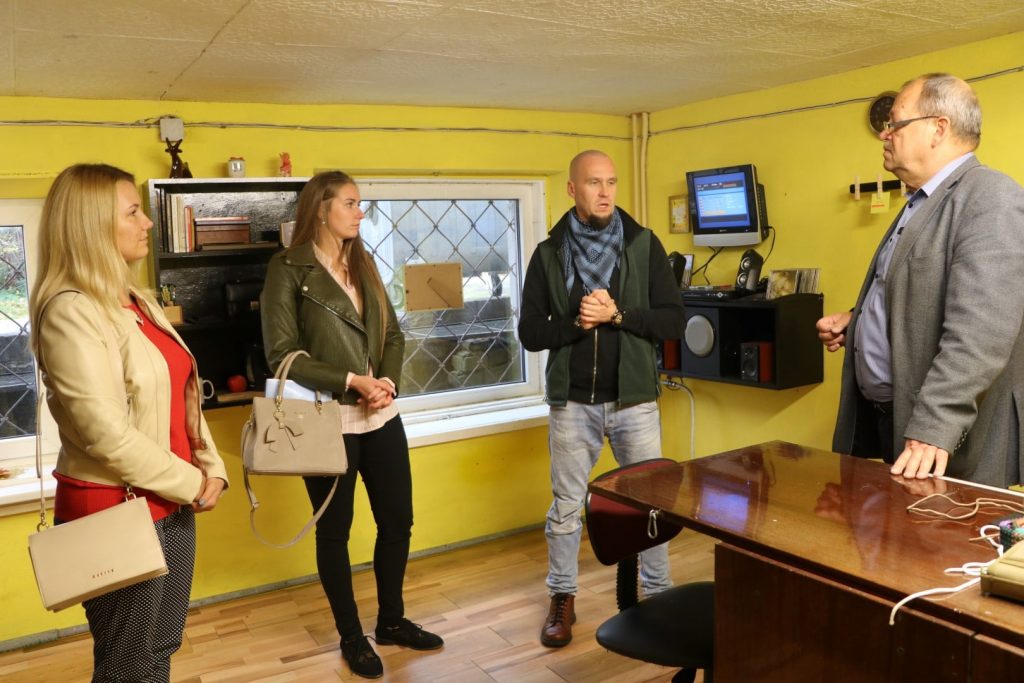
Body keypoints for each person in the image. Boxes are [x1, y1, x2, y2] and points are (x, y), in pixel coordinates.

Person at [29, 163, 228, 682]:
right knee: (126, 668)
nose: (148, 223)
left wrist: (211, 466)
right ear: (92, 224)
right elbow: (105, 434)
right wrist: (192, 481)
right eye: (133, 212)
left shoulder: (138, 301)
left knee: (160, 648)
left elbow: (183, 394)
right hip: (115, 509)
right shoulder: (71, 311)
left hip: (170, 502)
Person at [261, 171, 443, 679]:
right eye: (350, 202)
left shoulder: (364, 262)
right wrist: (350, 380)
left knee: (398, 522)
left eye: (361, 203)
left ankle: (392, 622)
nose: (361, 212)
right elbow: (281, 353)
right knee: (334, 533)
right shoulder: (287, 268)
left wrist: (386, 382)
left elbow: (394, 334)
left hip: (381, 414)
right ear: (321, 208)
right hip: (326, 420)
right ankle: (351, 638)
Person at [817, 72, 1024, 488]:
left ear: (938, 128)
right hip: (894, 420)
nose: (884, 134)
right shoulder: (921, 200)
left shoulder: (992, 197)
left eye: (895, 123)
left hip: (942, 439)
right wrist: (858, 319)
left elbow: (982, 328)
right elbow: (923, 288)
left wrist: (934, 425)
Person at [518, 150, 686, 647]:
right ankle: (562, 597)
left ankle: (659, 597)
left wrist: (617, 315)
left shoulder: (644, 245)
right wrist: (578, 323)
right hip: (573, 403)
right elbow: (530, 332)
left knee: (651, 505)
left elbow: (673, 321)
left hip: (635, 401)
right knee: (566, 508)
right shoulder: (548, 253)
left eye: (611, 182)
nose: (606, 192)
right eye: (594, 183)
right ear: (572, 189)